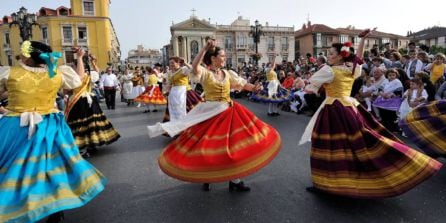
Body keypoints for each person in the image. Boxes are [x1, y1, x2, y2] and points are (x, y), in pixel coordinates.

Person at [299, 29, 441, 198]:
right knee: (356, 143)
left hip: (333, 109)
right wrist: (362, 40)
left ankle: (326, 183)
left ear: (340, 56)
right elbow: (358, 57)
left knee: (327, 145)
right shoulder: (351, 69)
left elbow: (309, 88)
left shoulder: (329, 70)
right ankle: (349, 178)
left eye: (331, 53)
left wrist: (308, 86)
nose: (328, 56)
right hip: (350, 107)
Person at [148, 39, 281, 192]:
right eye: (222, 56)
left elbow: (242, 84)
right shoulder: (205, 73)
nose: (224, 58)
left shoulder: (228, 73)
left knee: (233, 148)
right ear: (213, 58)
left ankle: (235, 180)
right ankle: (208, 176)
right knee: (209, 149)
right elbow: (196, 67)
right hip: (211, 115)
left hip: (230, 113)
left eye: (224, 56)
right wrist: (205, 48)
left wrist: (254, 88)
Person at [0, 41, 106, 222]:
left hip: (16, 126)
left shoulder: (10, 73)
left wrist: (9, 102)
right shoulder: (57, 73)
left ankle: (16, 207)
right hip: (50, 125)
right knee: (53, 167)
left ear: (26, 55)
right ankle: (55, 208)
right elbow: (78, 81)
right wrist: (80, 58)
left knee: (14, 168)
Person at [64, 51, 120, 155]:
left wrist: (67, 93)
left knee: (81, 123)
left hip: (79, 101)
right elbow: (97, 72)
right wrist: (93, 62)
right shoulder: (89, 75)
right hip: (89, 99)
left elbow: (68, 90)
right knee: (91, 122)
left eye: (74, 66)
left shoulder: (75, 77)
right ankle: (91, 143)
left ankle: (83, 146)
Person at [162, 56, 202, 122]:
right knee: (174, 111)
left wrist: (185, 63)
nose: (171, 65)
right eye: (170, 63)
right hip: (174, 95)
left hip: (185, 93)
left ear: (178, 63)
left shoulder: (183, 69)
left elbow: (194, 70)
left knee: (189, 110)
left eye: (172, 63)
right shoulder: (169, 73)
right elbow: (169, 84)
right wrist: (165, 92)